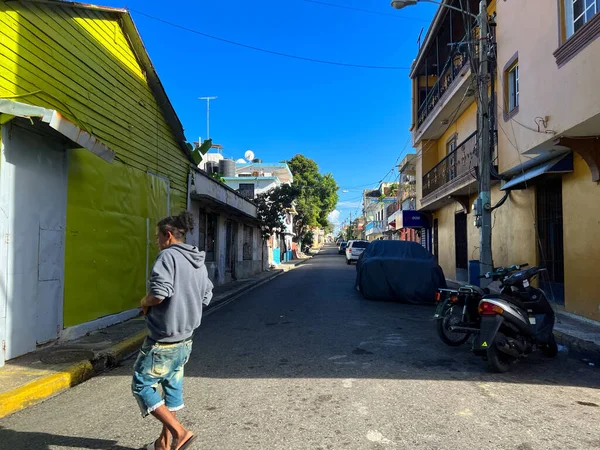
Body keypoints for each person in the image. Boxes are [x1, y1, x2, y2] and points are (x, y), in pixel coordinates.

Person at [132, 211, 213, 450]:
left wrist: (144, 302)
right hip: (186, 340)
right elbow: (207, 294)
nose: (156, 242)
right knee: (172, 388)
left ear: (168, 235)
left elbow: (159, 293)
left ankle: (180, 432)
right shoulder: (197, 259)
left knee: (141, 385)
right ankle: (164, 443)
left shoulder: (167, 257)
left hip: (162, 340)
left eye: (157, 237)